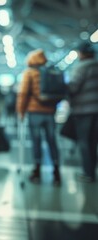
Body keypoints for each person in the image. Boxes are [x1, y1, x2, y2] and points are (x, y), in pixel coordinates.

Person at [16, 49, 61, 185]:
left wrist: (21, 111)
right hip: (50, 112)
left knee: (36, 141)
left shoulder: (29, 73)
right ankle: (57, 172)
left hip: (35, 112)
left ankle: (37, 172)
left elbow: (23, 93)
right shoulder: (51, 71)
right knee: (52, 141)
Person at [67, 42, 98, 183]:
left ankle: (88, 173)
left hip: (83, 111)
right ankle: (92, 171)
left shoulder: (80, 68)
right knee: (93, 142)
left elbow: (73, 87)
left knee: (84, 142)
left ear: (82, 53)